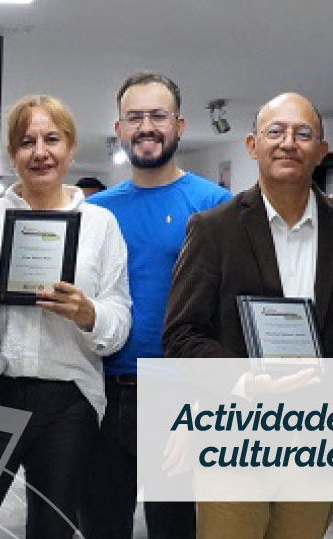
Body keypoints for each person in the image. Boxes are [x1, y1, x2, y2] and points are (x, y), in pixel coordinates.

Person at [163, 92, 333, 539]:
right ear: (252, 145)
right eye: (275, 132)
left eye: (303, 134)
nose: (288, 143)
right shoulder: (214, 229)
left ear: (322, 150)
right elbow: (182, 334)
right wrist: (244, 381)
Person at [0, 94, 133, 539]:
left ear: (71, 148)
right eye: (26, 142)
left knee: (53, 528)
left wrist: (88, 313)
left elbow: (119, 316)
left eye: (52, 139)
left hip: (69, 402)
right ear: (12, 154)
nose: (40, 152)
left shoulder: (101, 225)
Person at [84, 70, 233, 539]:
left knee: (177, 529)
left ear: (180, 125)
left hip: (182, 392)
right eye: (135, 117)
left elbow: (229, 317)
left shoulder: (216, 207)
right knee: (102, 525)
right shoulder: (96, 212)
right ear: (119, 129)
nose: (146, 127)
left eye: (158, 115)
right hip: (104, 389)